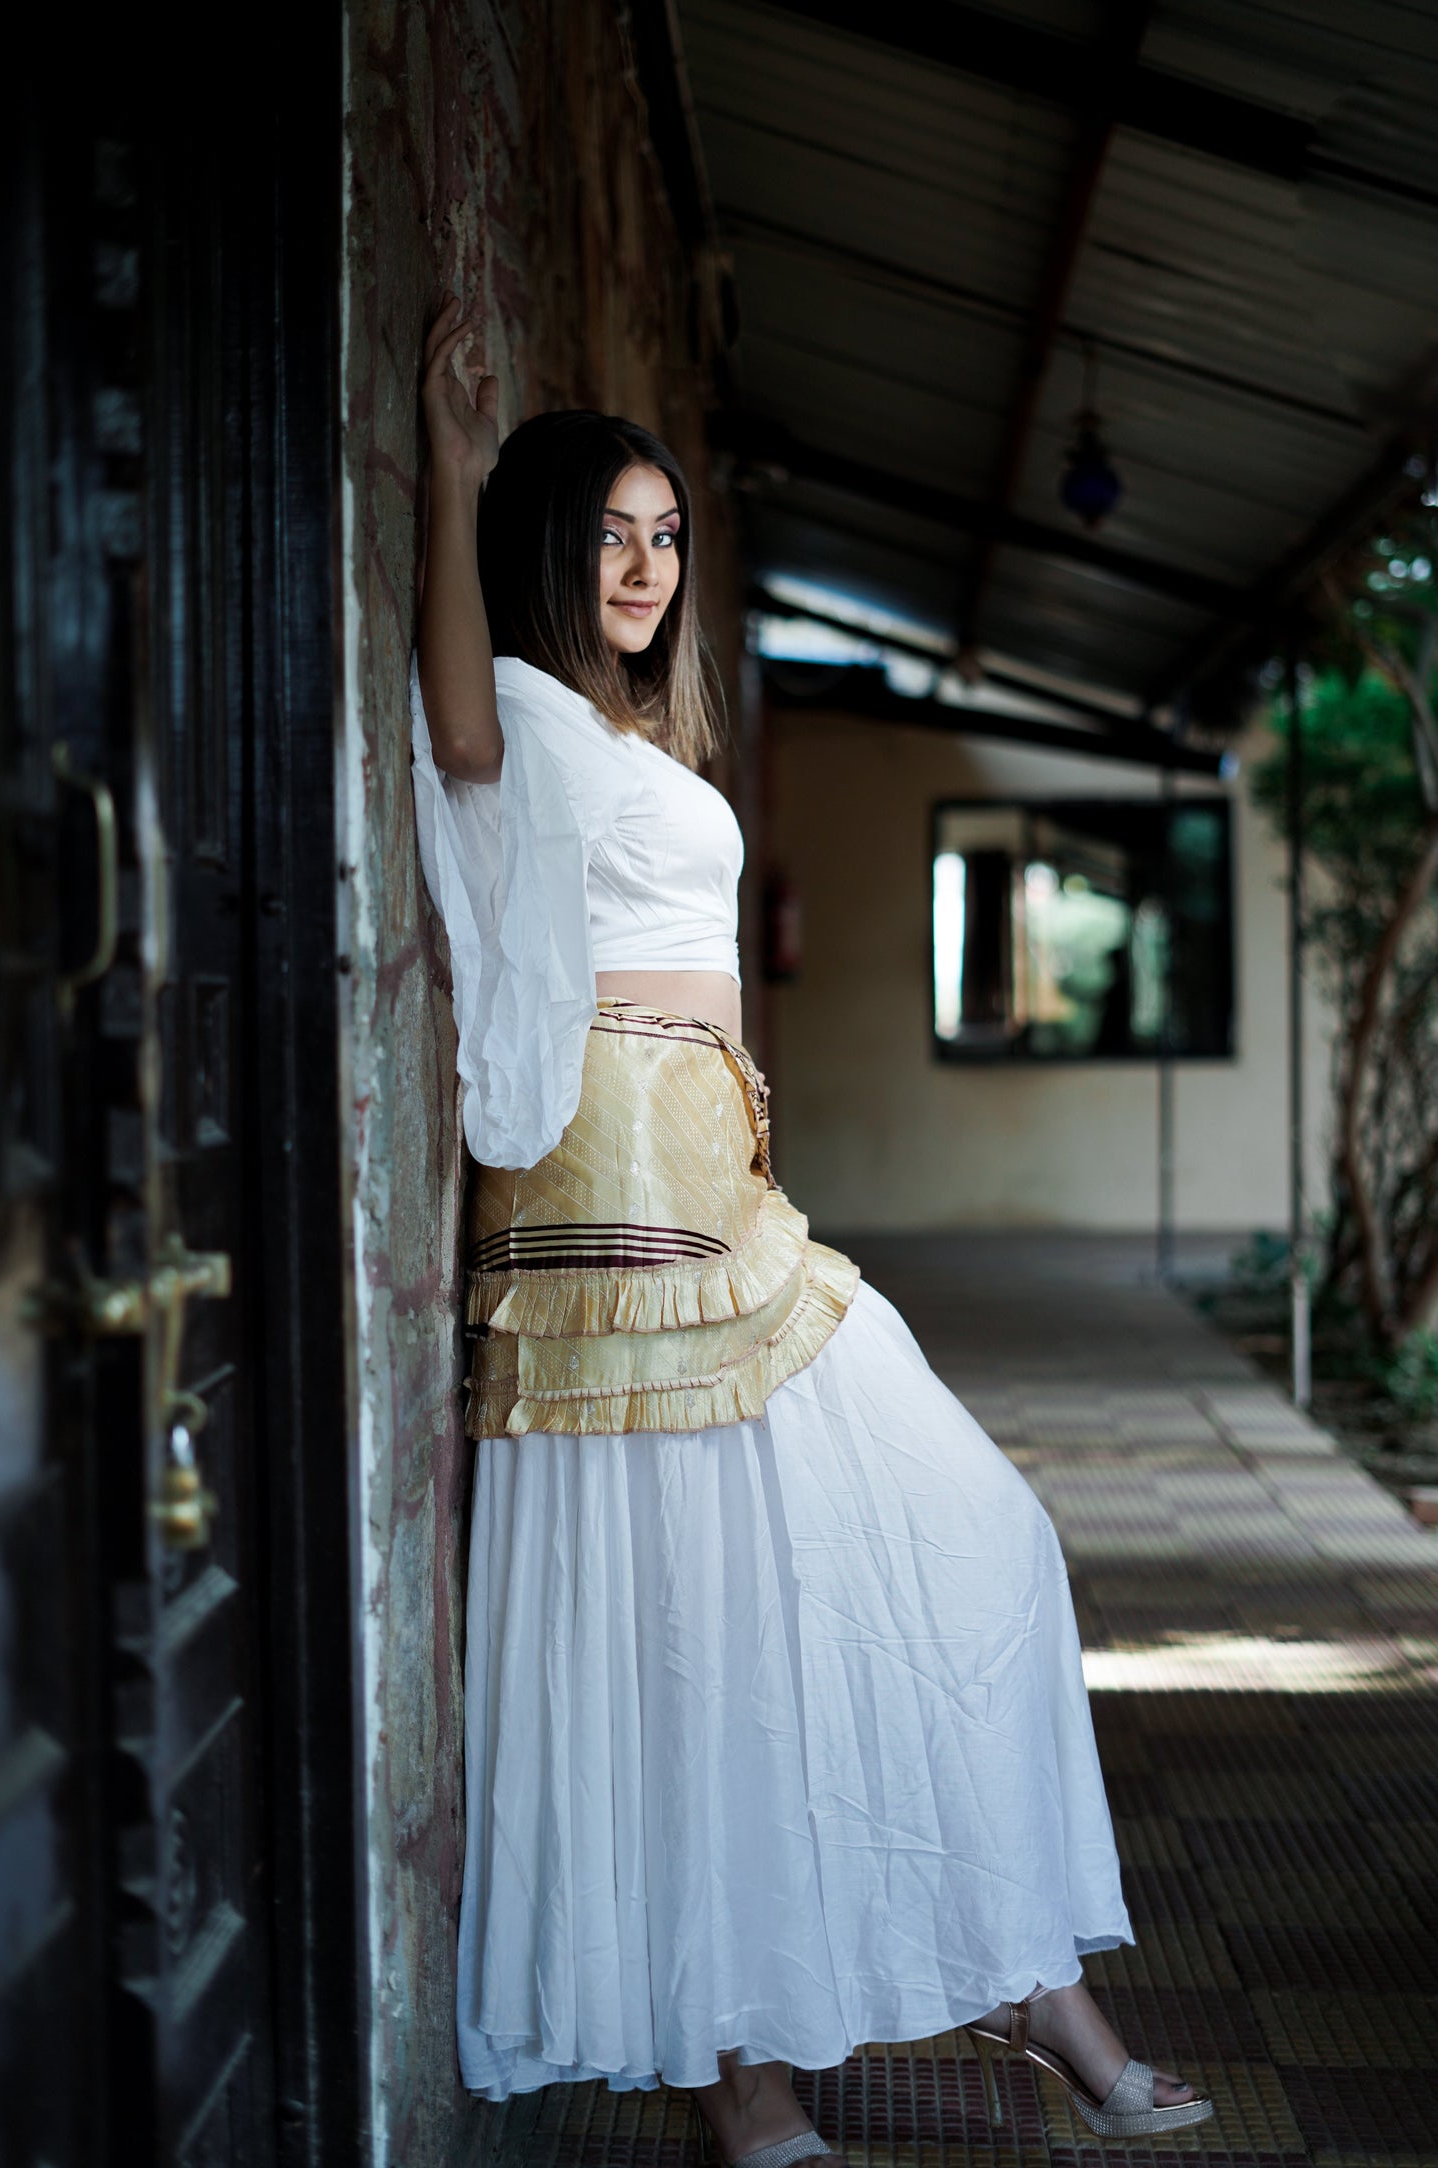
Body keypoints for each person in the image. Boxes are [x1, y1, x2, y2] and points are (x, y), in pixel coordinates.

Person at [411, 293, 1215, 2164]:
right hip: (621, 1238)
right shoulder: (527, 712)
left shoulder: (624, 729)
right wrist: (453, 475)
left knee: (968, 1552)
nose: (642, 563)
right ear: (544, 548)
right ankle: (762, 2078)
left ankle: (1021, 1985)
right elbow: (453, 729)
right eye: (607, 531)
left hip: (727, 1219)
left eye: (665, 532)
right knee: (707, 1650)